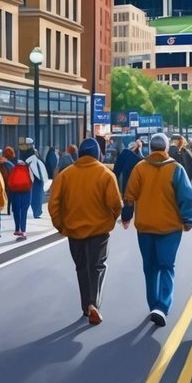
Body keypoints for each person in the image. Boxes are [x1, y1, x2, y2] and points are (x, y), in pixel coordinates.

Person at [123, 132, 192, 327]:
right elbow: (186, 197)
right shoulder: (176, 169)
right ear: (165, 148)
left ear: (150, 148)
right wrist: (187, 220)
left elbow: (130, 195)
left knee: (150, 267)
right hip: (170, 228)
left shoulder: (140, 169)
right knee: (167, 266)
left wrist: (126, 216)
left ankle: (153, 304)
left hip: (145, 227)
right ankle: (162, 307)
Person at [48, 138, 123, 325]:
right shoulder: (106, 175)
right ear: (98, 153)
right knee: (97, 266)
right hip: (99, 230)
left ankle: (85, 307)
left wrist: (61, 225)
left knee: (81, 268)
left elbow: (53, 205)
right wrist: (111, 219)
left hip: (73, 230)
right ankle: (93, 304)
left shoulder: (65, 176)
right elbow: (115, 204)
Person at [5, 151, 34, 239]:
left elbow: (10, 181)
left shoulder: (14, 168)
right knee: (24, 211)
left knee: (16, 210)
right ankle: (23, 230)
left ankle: (17, 229)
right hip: (26, 192)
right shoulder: (28, 169)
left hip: (15, 192)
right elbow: (32, 180)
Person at [25, 140, 49, 219]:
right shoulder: (32, 153)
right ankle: (37, 212)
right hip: (36, 178)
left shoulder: (26, 153)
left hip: (33, 178)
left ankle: (36, 212)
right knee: (37, 196)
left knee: (34, 196)